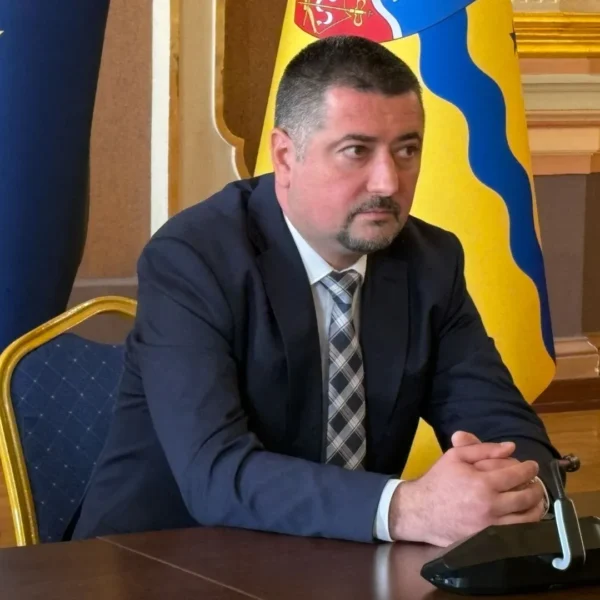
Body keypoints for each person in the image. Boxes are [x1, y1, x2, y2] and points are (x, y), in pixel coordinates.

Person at [71, 35, 560, 547]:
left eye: (406, 150)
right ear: (285, 155)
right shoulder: (194, 259)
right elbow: (215, 473)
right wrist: (406, 508)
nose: (388, 182)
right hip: (161, 559)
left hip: (343, 562)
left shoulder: (430, 262)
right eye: (356, 151)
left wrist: (518, 490)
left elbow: (507, 431)